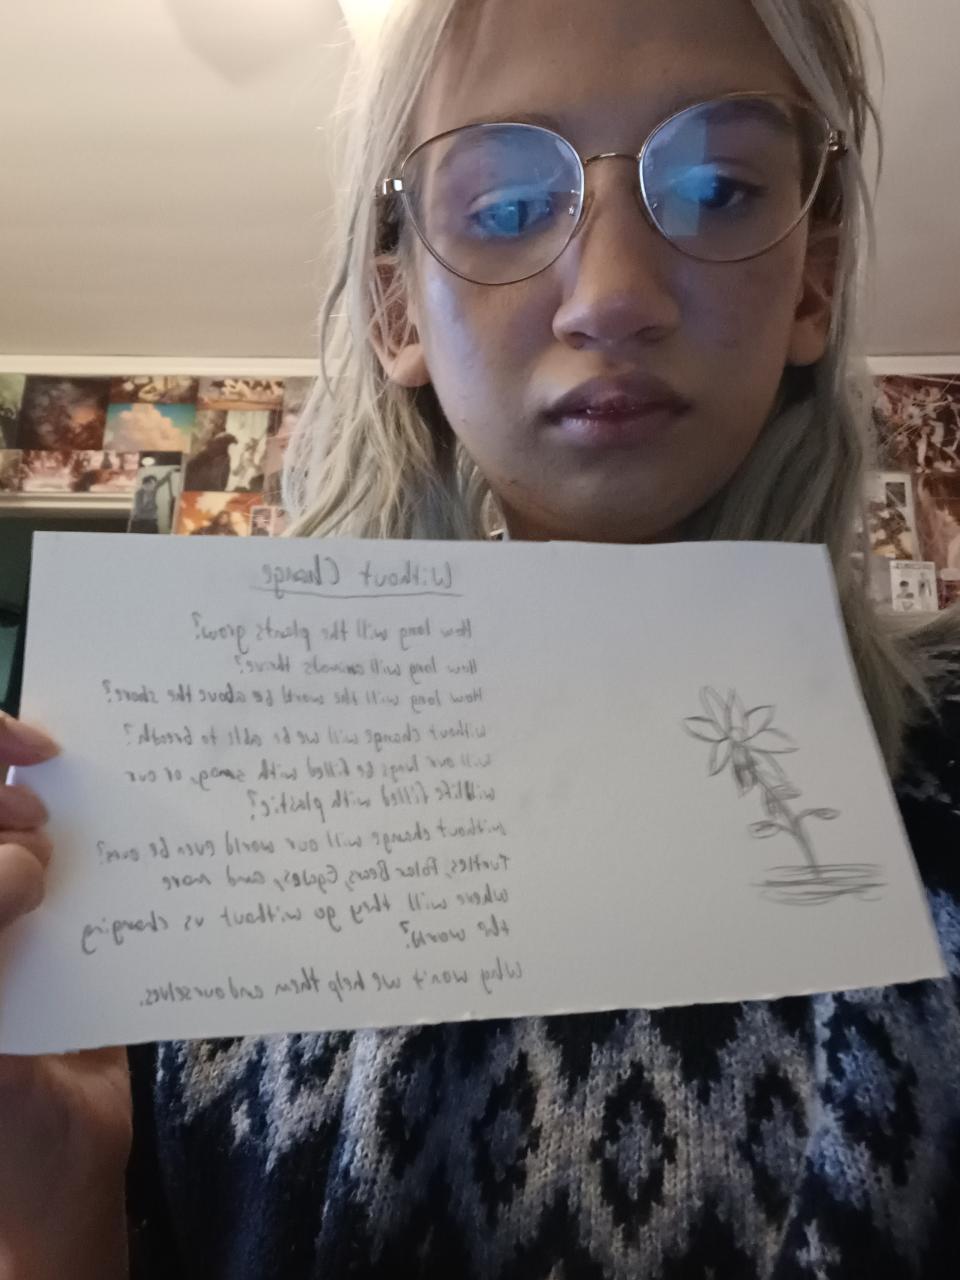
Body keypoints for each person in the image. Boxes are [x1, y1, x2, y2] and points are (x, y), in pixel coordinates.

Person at [3, 1, 960, 1276]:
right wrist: (55, 1201)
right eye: (507, 208)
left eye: (718, 188)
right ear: (398, 310)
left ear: (815, 279)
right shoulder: (169, 839)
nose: (613, 299)